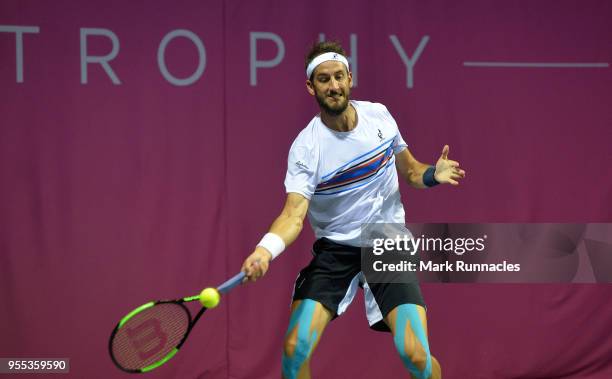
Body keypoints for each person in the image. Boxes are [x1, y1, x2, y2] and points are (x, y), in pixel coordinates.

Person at [240, 41, 465, 379]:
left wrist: (433, 174)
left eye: (339, 77)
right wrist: (264, 251)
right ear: (310, 86)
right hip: (336, 251)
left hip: (387, 243)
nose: (333, 86)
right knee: (294, 348)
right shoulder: (307, 147)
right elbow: (293, 215)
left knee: (416, 356)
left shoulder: (379, 115)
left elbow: (412, 171)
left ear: (349, 78)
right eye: (324, 79)